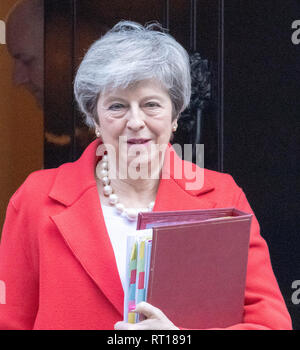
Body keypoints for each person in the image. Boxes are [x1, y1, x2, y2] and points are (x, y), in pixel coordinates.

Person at [0, 20, 292, 330]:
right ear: (94, 117)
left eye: (151, 104)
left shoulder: (222, 196)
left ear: (175, 114)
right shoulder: (36, 199)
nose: (135, 121)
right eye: (117, 106)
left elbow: (270, 324)